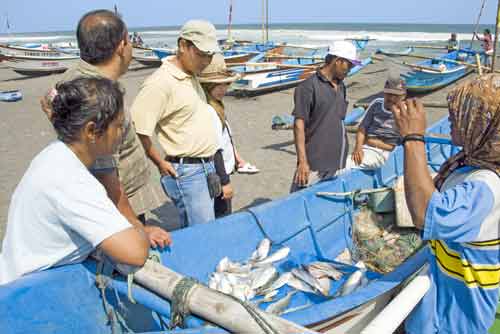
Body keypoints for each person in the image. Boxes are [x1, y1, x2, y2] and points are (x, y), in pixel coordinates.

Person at [40, 9, 171, 249]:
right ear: (122, 46)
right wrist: (139, 229)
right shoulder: (98, 96)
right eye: (129, 40)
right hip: (116, 207)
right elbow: (105, 175)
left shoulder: (76, 76)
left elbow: (47, 98)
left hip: (114, 201)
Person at [0, 77, 150, 285]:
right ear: (91, 131)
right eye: (117, 126)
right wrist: (136, 225)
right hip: (26, 293)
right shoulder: (71, 180)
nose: (122, 133)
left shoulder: (54, 156)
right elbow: (135, 252)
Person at [390, 74, 500, 333]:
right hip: (437, 308)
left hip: (456, 322)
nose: (450, 118)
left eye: (460, 114)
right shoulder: (469, 163)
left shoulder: (486, 187)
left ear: (483, 124)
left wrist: (414, 138)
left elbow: (425, 213)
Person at [131, 20, 220, 227]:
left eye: (210, 55)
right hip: (188, 171)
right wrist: (160, 163)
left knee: (206, 229)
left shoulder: (190, 75)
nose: (207, 61)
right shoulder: (160, 83)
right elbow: (138, 130)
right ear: (182, 46)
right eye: (202, 54)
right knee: (201, 235)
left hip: (205, 167)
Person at [291, 40, 360, 191]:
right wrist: (303, 162)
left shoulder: (341, 86)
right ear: (337, 61)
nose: (350, 69)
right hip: (314, 164)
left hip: (337, 162)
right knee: (299, 202)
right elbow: (298, 125)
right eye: (349, 65)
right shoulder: (307, 87)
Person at [199, 53, 255, 217]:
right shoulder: (209, 110)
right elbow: (215, 149)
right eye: (219, 85)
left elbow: (226, 139)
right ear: (208, 86)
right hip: (217, 174)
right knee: (222, 215)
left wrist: (238, 159)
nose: (224, 89)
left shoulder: (217, 105)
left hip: (224, 169)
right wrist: (225, 182)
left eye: (226, 84)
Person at [344, 73, 405, 171]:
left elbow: (403, 143)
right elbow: (362, 128)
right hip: (367, 147)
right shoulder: (377, 103)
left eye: (395, 95)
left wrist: (395, 113)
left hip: (385, 152)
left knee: (347, 165)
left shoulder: (406, 112)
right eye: (389, 94)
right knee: (344, 163)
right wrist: (358, 147)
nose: (391, 98)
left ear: (403, 96)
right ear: (384, 93)